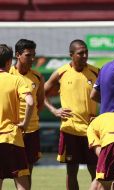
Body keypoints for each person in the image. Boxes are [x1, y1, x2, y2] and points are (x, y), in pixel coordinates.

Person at [44, 39, 99, 190]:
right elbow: (40, 93)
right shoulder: (61, 73)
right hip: (70, 130)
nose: (85, 55)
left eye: (86, 52)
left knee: (96, 172)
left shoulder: (96, 72)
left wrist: (102, 116)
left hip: (91, 131)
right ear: (71, 55)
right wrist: (54, 110)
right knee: (71, 171)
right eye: (81, 53)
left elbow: (109, 95)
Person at [9, 39, 44, 189]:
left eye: (33, 55)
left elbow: (40, 103)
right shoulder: (7, 74)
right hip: (11, 130)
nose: (32, 59)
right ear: (17, 55)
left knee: (28, 169)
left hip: (31, 130)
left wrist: (29, 120)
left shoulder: (37, 77)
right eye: (28, 55)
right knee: (7, 169)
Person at [0, 44, 34, 190]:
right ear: (9, 62)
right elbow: (30, 102)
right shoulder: (16, 80)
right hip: (12, 138)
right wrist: (25, 123)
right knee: (22, 184)